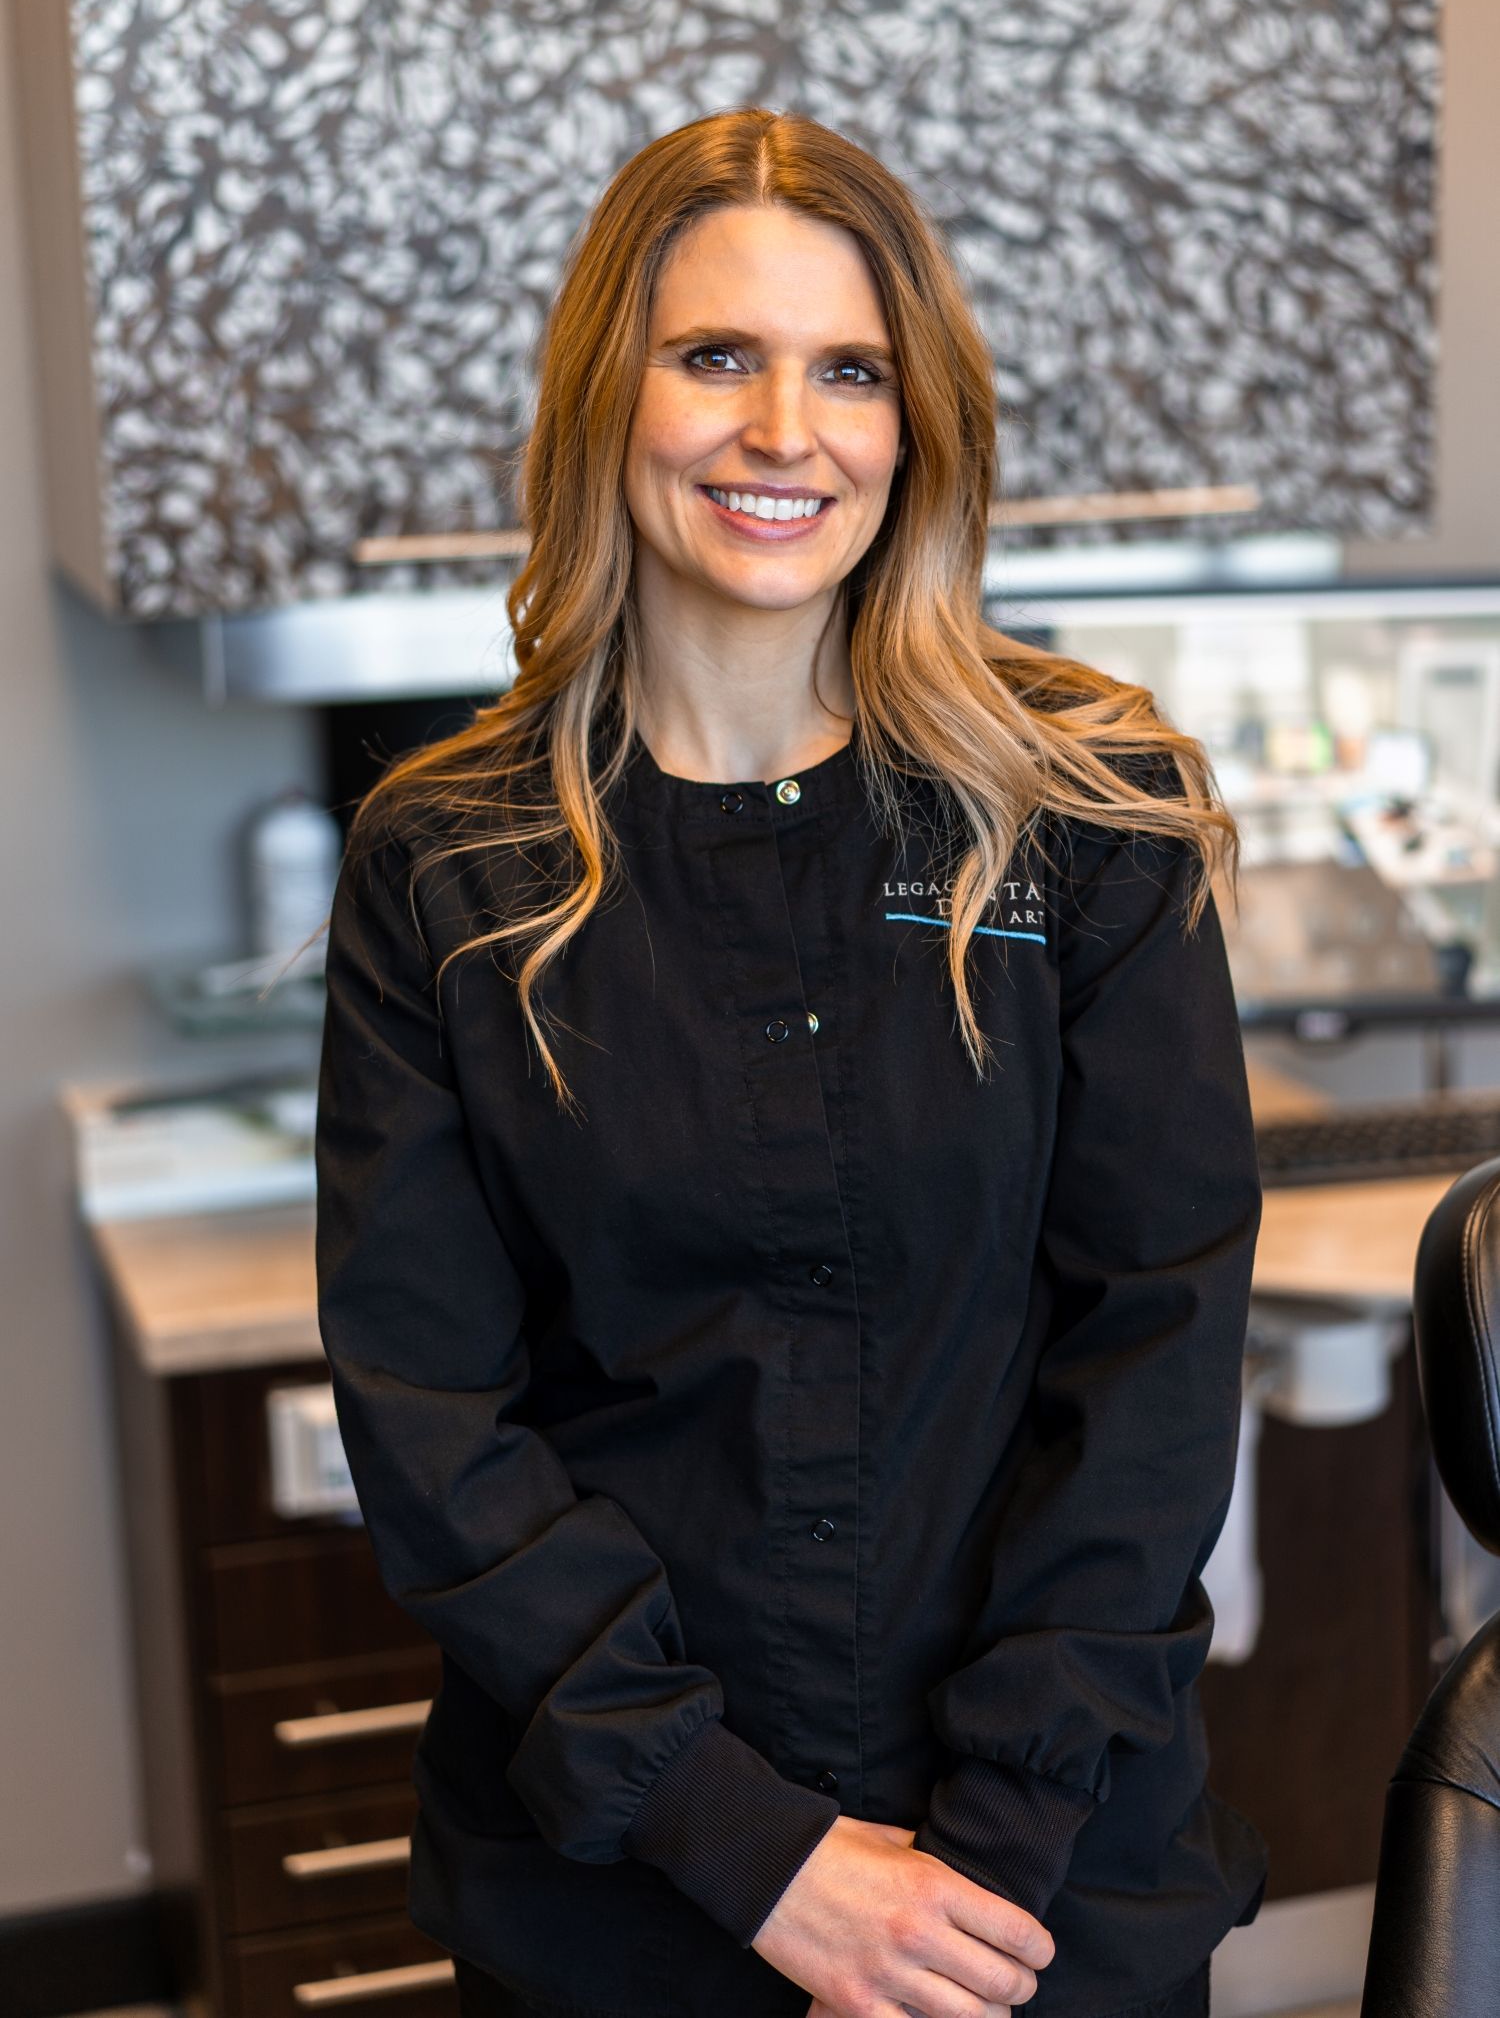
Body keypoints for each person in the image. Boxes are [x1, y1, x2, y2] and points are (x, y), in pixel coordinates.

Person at [315, 106, 1268, 2018]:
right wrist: (756, 1855)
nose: (785, 431)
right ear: (613, 393)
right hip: (624, 1885)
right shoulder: (451, 860)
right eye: (716, 357)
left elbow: (1154, 1353)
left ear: (915, 426)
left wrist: (967, 1885)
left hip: (1044, 1884)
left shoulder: (1081, 809)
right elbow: (435, 1422)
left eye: (849, 370)